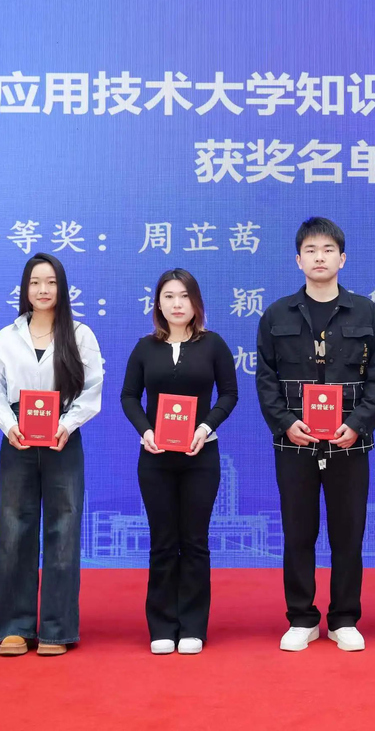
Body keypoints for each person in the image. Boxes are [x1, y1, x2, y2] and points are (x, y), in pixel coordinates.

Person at [255, 217, 375, 652]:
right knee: (298, 532)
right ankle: (302, 617)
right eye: (310, 250)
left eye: (328, 249)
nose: (319, 257)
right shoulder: (276, 314)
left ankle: (345, 617)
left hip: (350, 441)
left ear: (342, 258)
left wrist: (359, 423)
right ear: (298, 260)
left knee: (348, 533)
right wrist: (284, 423)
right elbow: (266, 380)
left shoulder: (366, 312)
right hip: (295, 442)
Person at [0, 253, 104, 656]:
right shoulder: (7, 337)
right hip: (18, 438)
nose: (43, 290)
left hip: (62, 438)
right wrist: (9, 425)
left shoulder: (80, 335)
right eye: (35, 282)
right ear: (25, 288)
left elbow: (92, 390)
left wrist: (67, 425)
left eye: (51, 282)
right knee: (13, 530)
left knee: (63, 530)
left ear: (62, 288)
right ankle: (13, 627)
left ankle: (56, 628)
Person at [121, 269, 238, 655]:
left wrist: (205, 427)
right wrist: (146, 431)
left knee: (195, 542)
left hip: (201, 457)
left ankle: (192, 626)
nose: (176, 304)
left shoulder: (213, 345)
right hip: (155, 458)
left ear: (196, 302)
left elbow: (229, 394)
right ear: (158, 303)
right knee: (162, 542)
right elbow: (129, 396)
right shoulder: (145, 348)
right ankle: (161, 625)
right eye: (169, 296)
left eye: (184, 296)